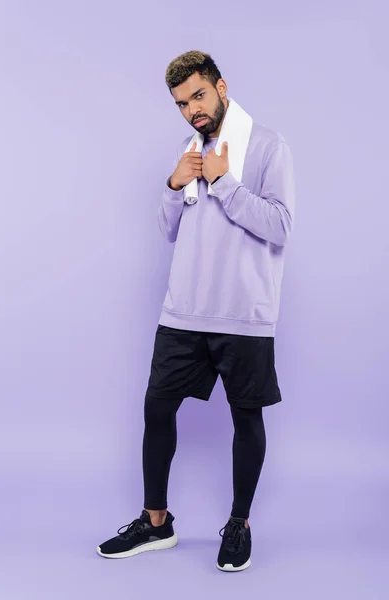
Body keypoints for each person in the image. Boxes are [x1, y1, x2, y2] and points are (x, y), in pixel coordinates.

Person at [97, 50, 295, 572]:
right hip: (183, 312)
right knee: (156, 408)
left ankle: (239, 523)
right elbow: (170, 231)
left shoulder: (269, 146)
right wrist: (173, 184)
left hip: (244, 315)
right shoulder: (188, 147)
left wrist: (225, 183)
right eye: (182, 103)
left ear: (221, 86)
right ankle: (156, 522)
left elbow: (279, 227)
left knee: (245, 418)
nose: (192, 110)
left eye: (198, 96)